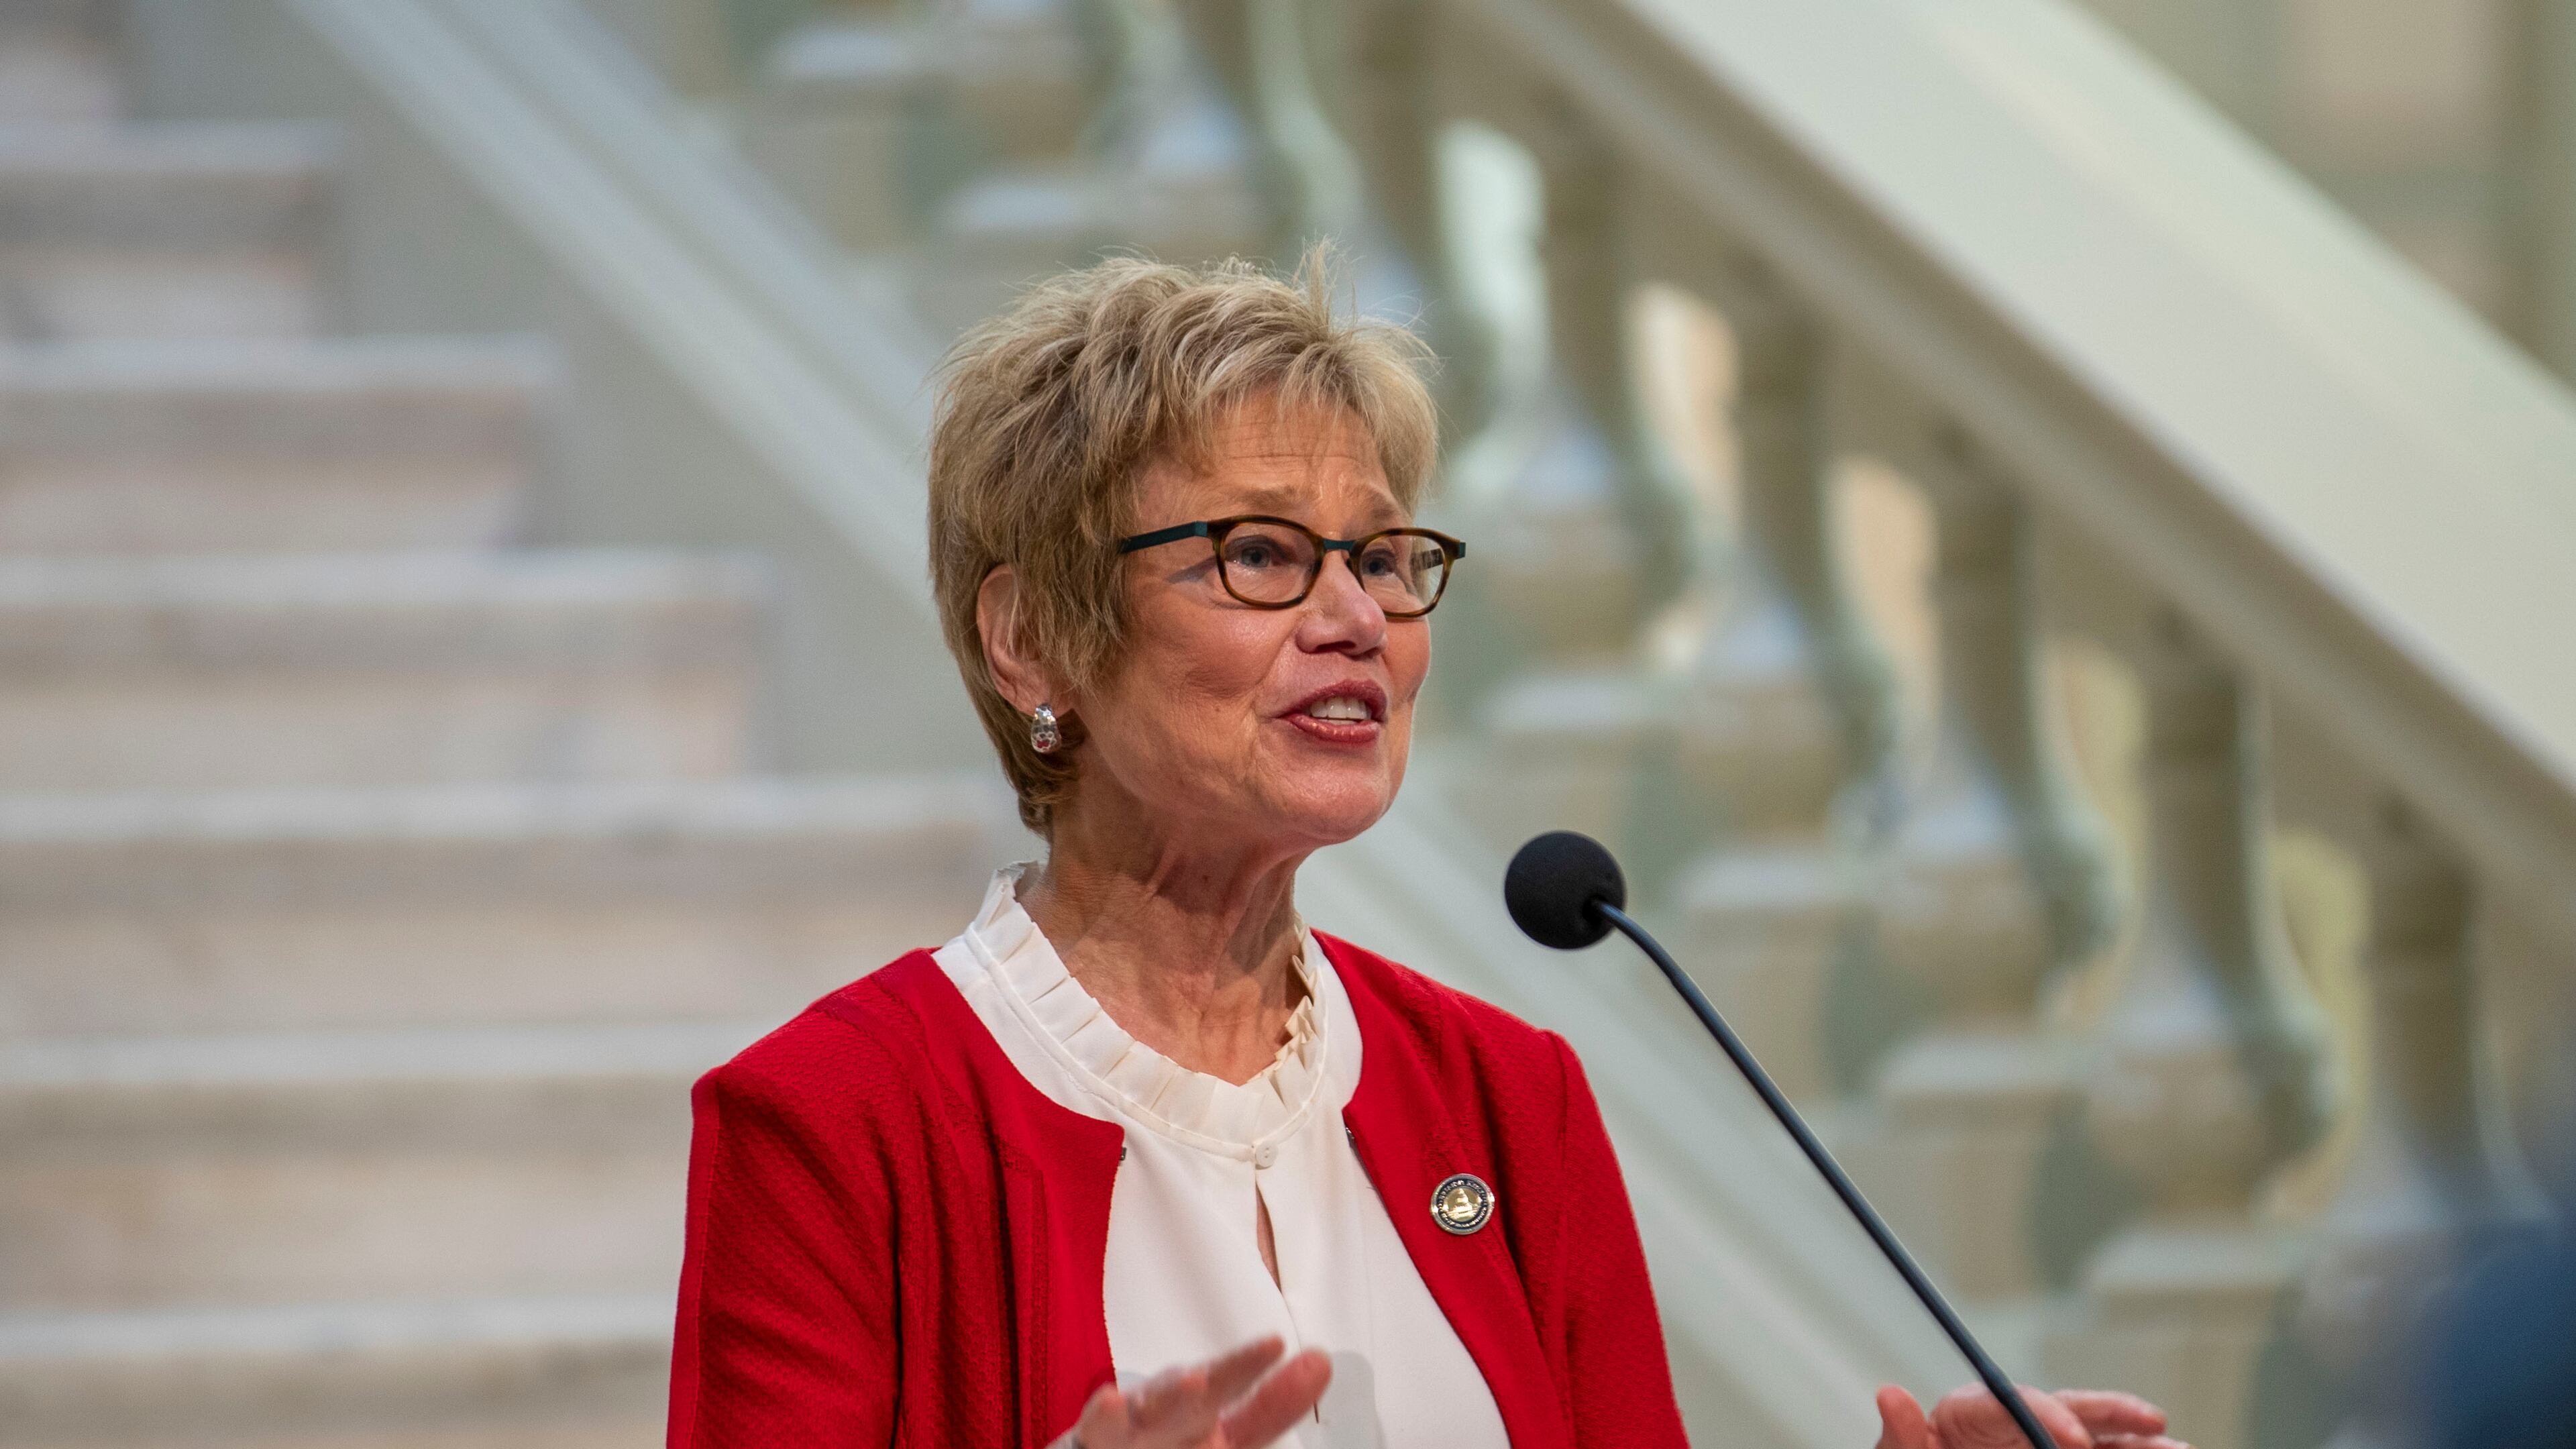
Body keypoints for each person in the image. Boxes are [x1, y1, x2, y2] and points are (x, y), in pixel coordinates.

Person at [665, 252, 2190, 1449]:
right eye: (1260, 553)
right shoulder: (836, 1127)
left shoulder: (1509, 1101)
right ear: (1030, 639)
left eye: (1386, 556)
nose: (1357, 619)